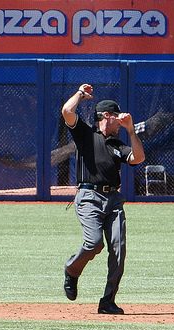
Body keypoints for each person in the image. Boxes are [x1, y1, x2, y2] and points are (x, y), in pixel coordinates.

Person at [61, 83, 145, 315]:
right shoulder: (85, 134)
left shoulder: (118, 143)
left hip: (114, 200)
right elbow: (67, 112)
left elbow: (138, 158)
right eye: (117, 117)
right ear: (107, 116)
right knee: (94, 243)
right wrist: (79, 94)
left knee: (119, 250)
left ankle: (107, 301)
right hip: (89, 197)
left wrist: (131, 131)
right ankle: (71, 270)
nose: (120, 120)